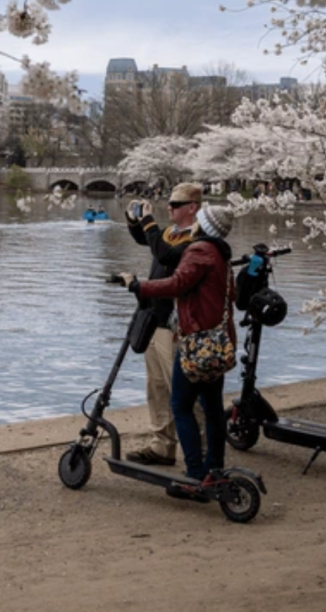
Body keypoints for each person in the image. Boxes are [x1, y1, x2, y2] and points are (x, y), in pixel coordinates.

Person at [123, 203, 236, 481]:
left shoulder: (198, 250)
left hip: (197, 342)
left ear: (204, 224)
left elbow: (176, 283)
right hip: (217, 341)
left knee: (181, 405)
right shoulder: (221, 253)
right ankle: (214, 467)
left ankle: (196, 472)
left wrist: (138, 286)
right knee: (212, 408)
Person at [122, 182, 203, 466]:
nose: (169, 208)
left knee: (182, 390)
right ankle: (162, 445)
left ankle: (201, 450)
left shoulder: (197, 239)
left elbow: (166, 254)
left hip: (176, 325)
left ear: (192, 207)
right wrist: (134, 221)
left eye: (176, 205)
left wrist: (148, 221)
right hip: (155, 320)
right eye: (169, 204)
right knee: (156, 387)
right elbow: (150, 242)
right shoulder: (171, 232)